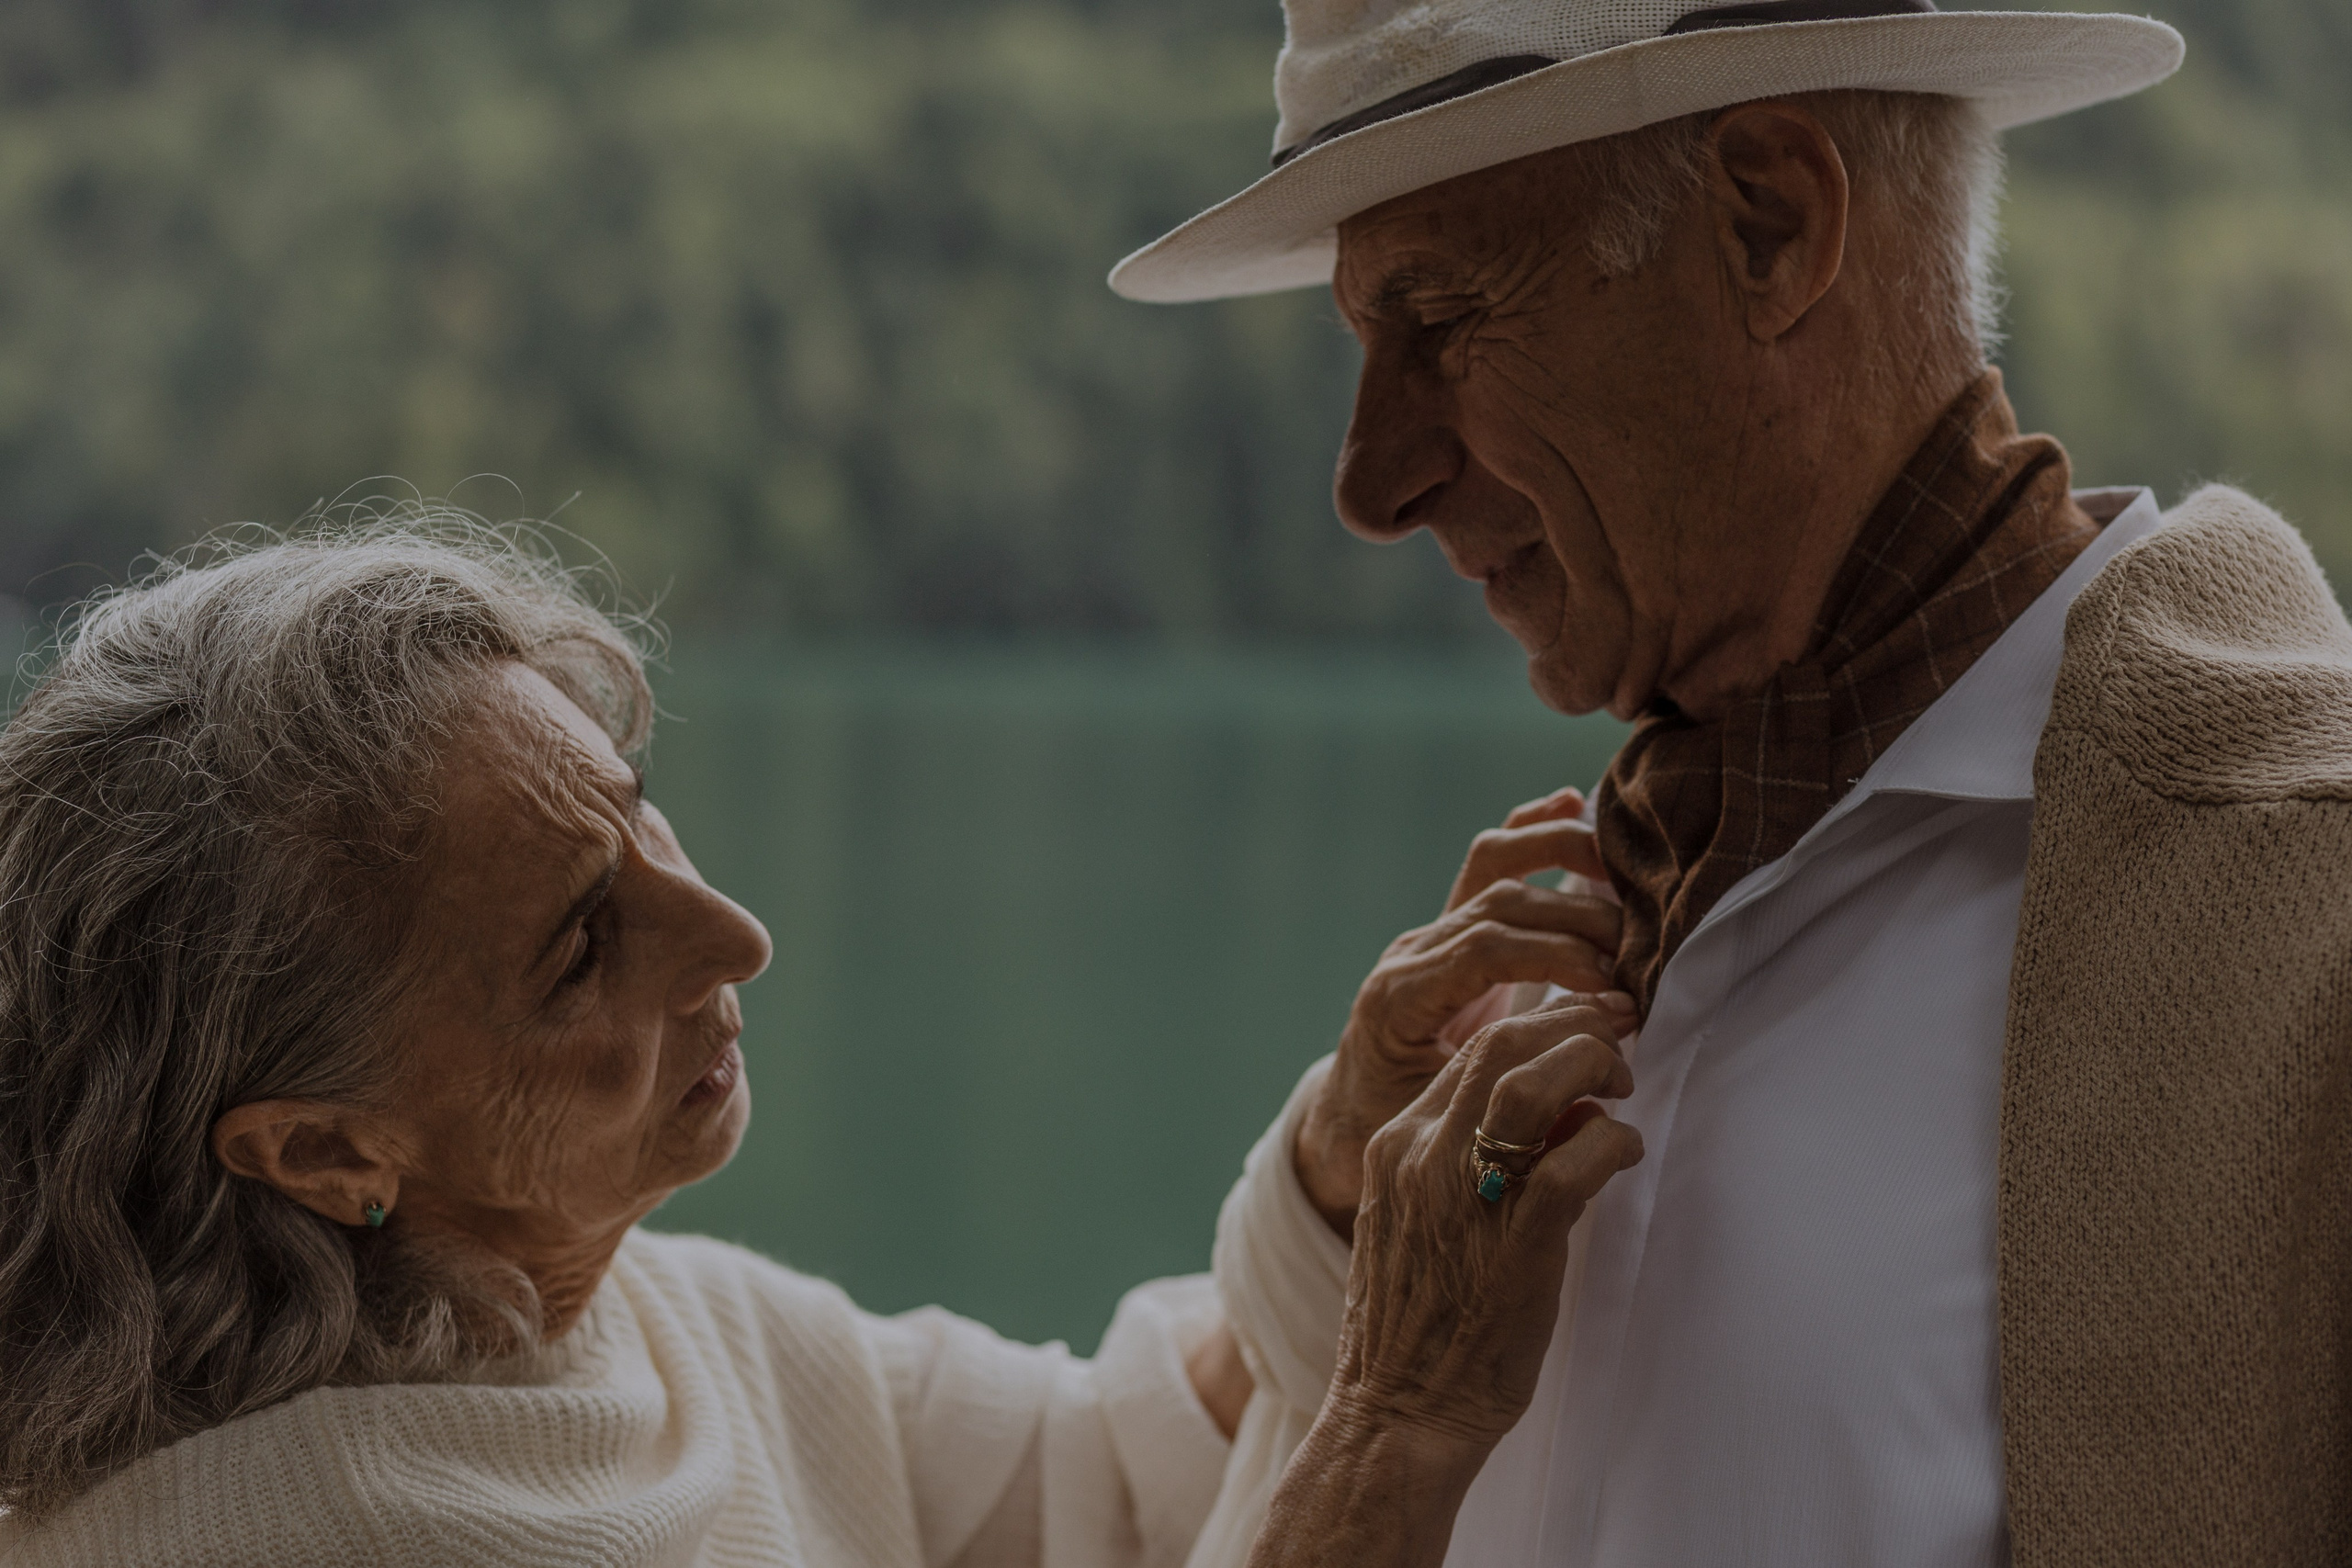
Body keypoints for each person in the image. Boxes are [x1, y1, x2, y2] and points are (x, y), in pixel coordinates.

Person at [1114, 0, 2352, 1564]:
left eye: (1436, 318)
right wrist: (1323, 1214)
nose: (1370, 481)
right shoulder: (1590, 901)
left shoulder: (2302, 936)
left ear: (1771, 224)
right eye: (1366, 343)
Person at [0, 518, 1645, 1566]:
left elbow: (1099, 1486)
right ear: (324, 1149)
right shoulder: (285, 1543)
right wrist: (1400, 1422)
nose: (733, 938)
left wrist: (1340, 1168)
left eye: (649, 826)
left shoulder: (629, 1320)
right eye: (584, 948)